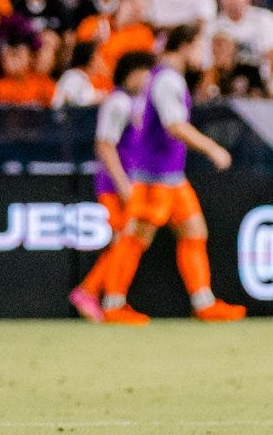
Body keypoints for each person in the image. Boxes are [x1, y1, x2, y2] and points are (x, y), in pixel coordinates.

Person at [98, 25, 245, 324]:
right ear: (186, 45)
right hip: (155, 176)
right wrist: (213, 148)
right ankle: (113, 304)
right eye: (198, 47)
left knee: (194, 232)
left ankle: (204, 302)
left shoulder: (164, 78)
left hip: (171, 176)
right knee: (136, 237)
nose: (202, 55)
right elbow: (174, 125)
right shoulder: (166, 80)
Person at [67, 49, 154, 322]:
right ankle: (89, 292)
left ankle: (95, 293)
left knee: (130, 239)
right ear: (132, 74)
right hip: (115, 184)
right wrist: (125, 186)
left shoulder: (132, 102)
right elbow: (104, 145)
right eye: (145, 73)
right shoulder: (118, 102)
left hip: (126, 181)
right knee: (126, 238)